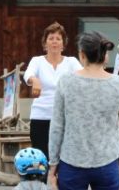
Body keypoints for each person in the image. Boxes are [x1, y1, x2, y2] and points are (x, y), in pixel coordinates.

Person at [48, 30, 119, 190]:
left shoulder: (66, 82)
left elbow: (57, 127)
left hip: (72, 160)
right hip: (108, 159)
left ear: (82, 55)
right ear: (105, 55)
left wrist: (53, 165)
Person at [24, 22, 82, 158]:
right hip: (41, 115)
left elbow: (83, 76)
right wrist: (35, 80)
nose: (54, 42)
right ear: (45, 43)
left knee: (65, 156)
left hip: (65, 115)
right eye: (51, 38)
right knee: (41, 156)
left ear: (63, 43)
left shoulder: (71, 62)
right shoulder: (37, 61)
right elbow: (28, 74)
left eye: (58, 39)